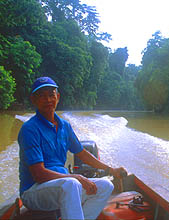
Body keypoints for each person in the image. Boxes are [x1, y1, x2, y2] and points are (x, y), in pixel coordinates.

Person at [18, 76, 126, 220]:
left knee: (106, 185)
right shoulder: (29, 129)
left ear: (58, 97)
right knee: (71, 183)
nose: (48, 100)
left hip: (62, 186)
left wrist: (110, 169)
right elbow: (39, 174)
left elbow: (82, 153)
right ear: (33, 99)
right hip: (34, 191)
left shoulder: (64, 126)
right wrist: (77, 176)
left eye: (51, 95)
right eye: (42, 96)